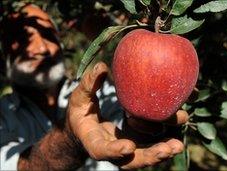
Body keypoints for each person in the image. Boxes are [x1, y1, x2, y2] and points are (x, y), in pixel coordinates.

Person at [0, 4, 189, 170]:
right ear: (5, 53)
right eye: (24, 39)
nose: (42, 48)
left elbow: (125, 125)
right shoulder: (4, 115)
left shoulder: (98, 92)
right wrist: (70, 138)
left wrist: (143, 126)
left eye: (48, 35)